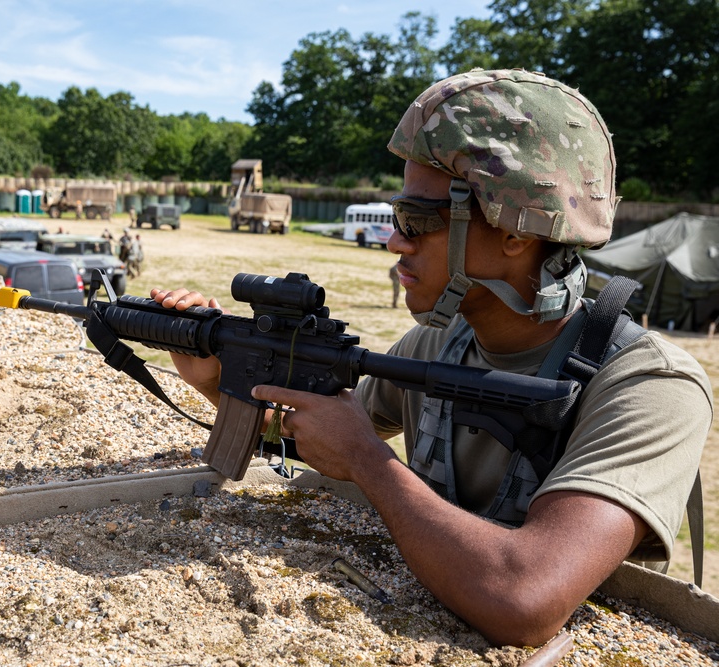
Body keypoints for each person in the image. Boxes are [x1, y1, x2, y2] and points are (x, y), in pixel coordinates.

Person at [149, 69, 712, 647]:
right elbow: (318, 434)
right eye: (397, 218)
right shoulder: (441, 341)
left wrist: (371, 464)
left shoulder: (649, 387)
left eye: (416, 221)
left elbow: (525, 601)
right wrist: (217, 379)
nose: (395, 241)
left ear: (515, 232)